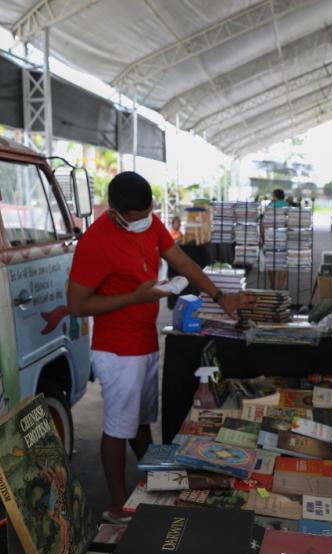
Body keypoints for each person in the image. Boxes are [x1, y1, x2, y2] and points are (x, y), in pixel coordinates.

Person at [67, 172, 253, 524]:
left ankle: (154, 476)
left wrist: (220, 296)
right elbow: (77, 305)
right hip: (118, 349)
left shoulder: (150, 224)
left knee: (139, 419)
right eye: (137, 216)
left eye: (148, 212)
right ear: (118, 212)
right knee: (117, 426)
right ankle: (118, 505)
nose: (144, 221)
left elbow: (183, 262)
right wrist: (134, 297)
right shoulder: (95, 242)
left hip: (145, 341)